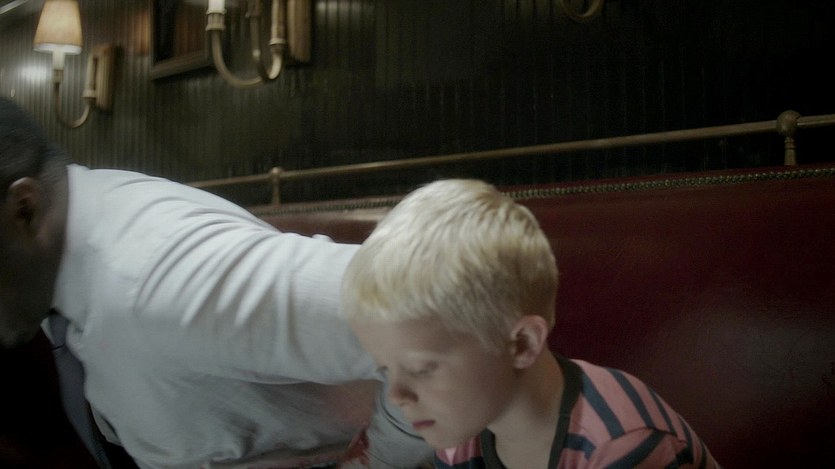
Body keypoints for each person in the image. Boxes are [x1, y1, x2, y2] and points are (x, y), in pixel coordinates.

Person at [0, 97, 433, 469]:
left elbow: (430, 322)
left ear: (23, 208)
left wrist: (375, 461)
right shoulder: (77, 241)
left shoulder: (159, 274)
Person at [341, 178, 721, 468]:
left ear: (521, 344)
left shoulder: (620, 447)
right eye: (386, 370)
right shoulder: (462, 434)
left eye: (423, 368)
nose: (396, 396)